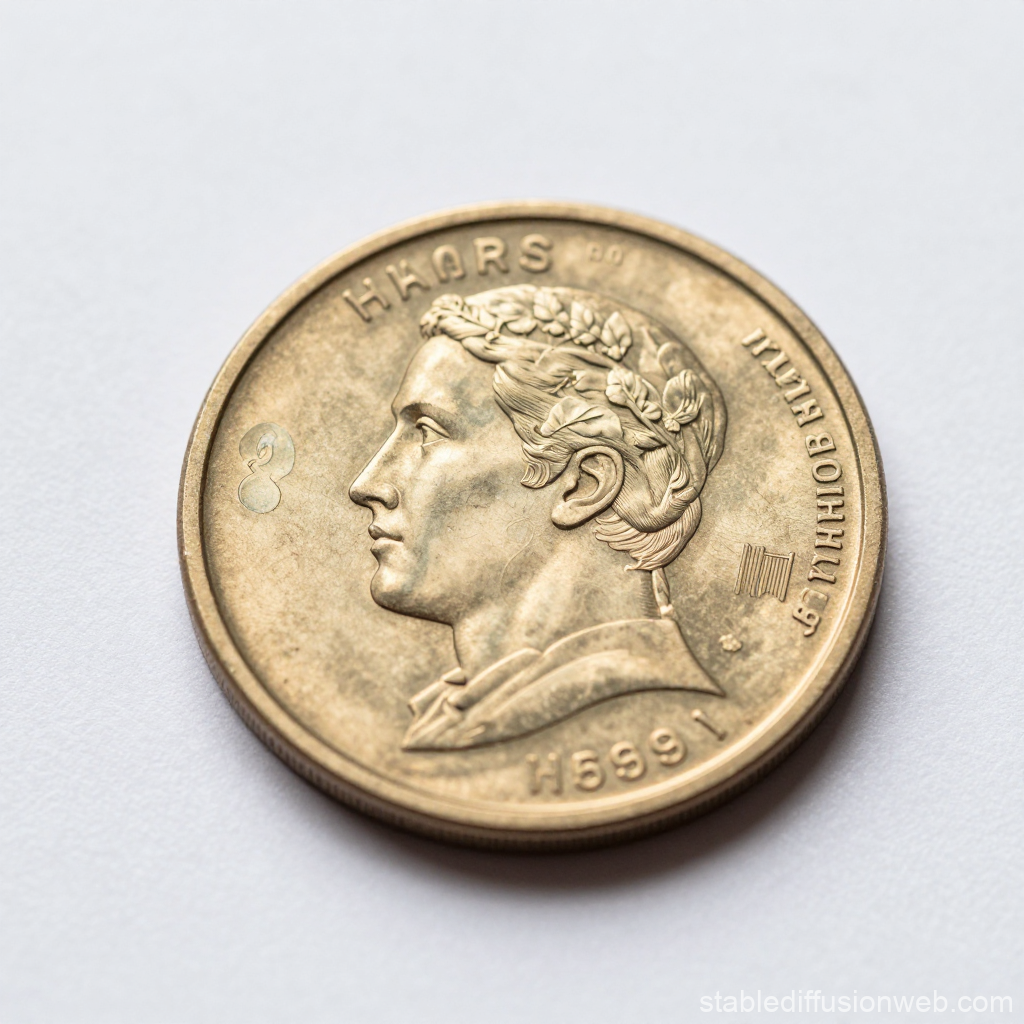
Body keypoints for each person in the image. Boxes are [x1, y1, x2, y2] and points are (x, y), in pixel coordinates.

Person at [349, 285, 728, 750]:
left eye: (427, 432)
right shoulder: (461, 713)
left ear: (585, 484)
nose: (367, 484)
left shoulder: (636, 700)